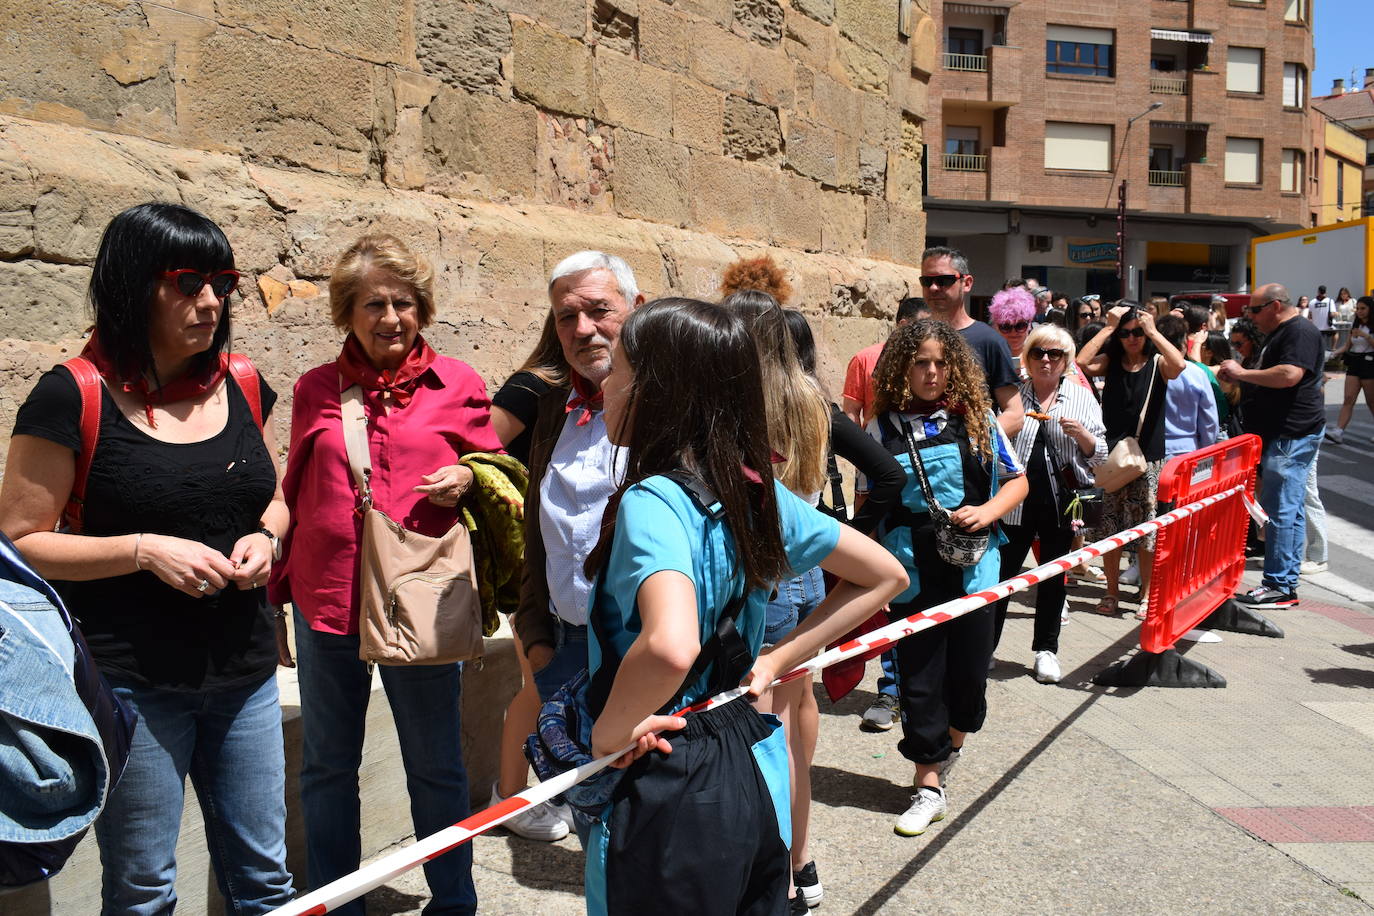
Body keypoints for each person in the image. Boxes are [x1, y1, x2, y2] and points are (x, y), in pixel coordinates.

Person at [0, 202, 294, 913]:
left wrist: (270, 538)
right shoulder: (72, 393)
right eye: (187, 281)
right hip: (130, 684)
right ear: (134, 286)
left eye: (221, 281)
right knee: (143, 887)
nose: (211, 301)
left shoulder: (243, 380)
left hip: (245, 675)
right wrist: (141, 551)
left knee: (265, 880)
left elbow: (274, 497)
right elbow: (19, 540)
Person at [584, 297, 907, 915]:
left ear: (659, 391)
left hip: (668, 769)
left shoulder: (653, 501)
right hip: (751, 757)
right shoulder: (752, 487)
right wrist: (774, 660)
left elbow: (670, 644)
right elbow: (883, 575)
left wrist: (608, 732)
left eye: (619, 370)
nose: (606, 383)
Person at [270, 233, 501, 914]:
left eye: (404, 303)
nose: (391, 318)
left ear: (422, 308)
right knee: (327, 767)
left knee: (436, 765)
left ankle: (454, 899)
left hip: (420, 602)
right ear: (348, 311)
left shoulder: (458, 384)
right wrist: (277, 598)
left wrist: (468, 473)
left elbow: (499, 474)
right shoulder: (316, 390)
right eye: (374, 304)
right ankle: (340, 901)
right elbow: (295, 490)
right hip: (328, 601)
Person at [866, 319, 1028, 837]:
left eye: (939, 362)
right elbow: (870, 498)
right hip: (911, 566)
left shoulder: (979, 419)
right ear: (902, 367)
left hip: (974, 564)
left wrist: (988, 510)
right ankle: (928, 782)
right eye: (920, 362)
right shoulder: (881, 427)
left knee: (968, 678)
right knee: (919, 678)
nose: (931, 373)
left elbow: (1017, 481)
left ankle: (950, 746)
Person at [511, 250, 645, 840]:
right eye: (567, 317)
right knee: (592, 812)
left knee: (646, 817)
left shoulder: (673, 410)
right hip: (564, 645)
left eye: (599, 310)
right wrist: (535, 635)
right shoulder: (546, 407)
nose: (583, 329)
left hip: (642, 651)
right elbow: (534, 532)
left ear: (636, 311)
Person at [484, 317, 578, 843]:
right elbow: (475, 451)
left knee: (562, 684)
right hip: (533, 563)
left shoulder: (602, 390)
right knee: (537, 685)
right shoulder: (534, 386)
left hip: (569, 565)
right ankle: (508, 797)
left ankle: (548, 786)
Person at [993, 325, 1105, 683]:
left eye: (1054, 354)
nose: (1046, 360)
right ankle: (985, 649)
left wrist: (1084, 437)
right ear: (1026, 357)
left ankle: (1046, 650)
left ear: (1066, 361)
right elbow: (991, 440)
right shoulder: (1013, 397)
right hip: (1014, 502)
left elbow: (1100, 455)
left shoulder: (1080, 398)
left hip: (1061, 504)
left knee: (1054, 578)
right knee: (1001, 576)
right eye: (1039, 352)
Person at [840, 293, 926, 733]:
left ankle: (922, 693)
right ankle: (892, 689)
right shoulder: (866, 360)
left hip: (928, 508)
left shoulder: (947, 385)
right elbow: (854, 421)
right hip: (881, 488)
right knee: (892, 593)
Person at [1217, 283, 1327, 608]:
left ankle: (1279, 585)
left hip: (1290, 433)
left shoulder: (1299, 331)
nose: (1249, 315)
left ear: (1274, 305)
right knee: (1287, 510)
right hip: (1284, 433)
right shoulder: (1285, 332)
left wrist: (1243, 374)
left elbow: (1290, 374)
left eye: (1254, 309)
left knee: (1280, 508)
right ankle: (1283, 583)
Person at [1076, 303, 1187, 618]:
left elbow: (1178, 364)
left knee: (1147, 533)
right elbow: (1080, 363)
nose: (1132, 338)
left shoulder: (1157, 363)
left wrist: (1154, 330)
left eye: (1138, 332)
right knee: (1108, 527)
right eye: (1126, 333)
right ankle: (1111, 593)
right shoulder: (1111, 361)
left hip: (1148, 459)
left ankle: (1146, 595)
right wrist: (1108, 328)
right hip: (1111, 456)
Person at [919, 246, 1025, 437]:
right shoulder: (909, 339)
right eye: (927, 281)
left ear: (966, 283)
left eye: (943, 280)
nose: (934, 288)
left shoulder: (989, 341)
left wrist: (975, 445)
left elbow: (1015, 414)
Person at [841, 295, 927, 427]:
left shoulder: (934, 363)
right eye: (922, 327)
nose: (930, 332)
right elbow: (851, 411)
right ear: (903, 325)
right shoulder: (864, 359)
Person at [1156, 314, 1220, 457]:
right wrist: (1205, 450)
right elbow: (1209, 421)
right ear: (1183, 343)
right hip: (1189, 451)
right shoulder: (1197, 373)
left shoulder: (1147, 369)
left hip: (1150, 451)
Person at [1325, 296, 1374, 446]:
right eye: (1358, 308)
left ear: (1370, 309)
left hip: (1370, 362)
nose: (1359, 311)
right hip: (1355, 362)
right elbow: (1347, 346)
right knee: (1348, 398)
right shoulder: (1356, 325)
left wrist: (1365, 336)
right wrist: (1332, 354)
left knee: (1371, 401)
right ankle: (1338, 431)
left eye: (1363, 308)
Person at [1199, 332, 1241, 435]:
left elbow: (1195, 367)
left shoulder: (1219, 370)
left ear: (1209, 352)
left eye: (1201, 346)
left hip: (1221, 433)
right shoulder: (1228, 369)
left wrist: (1196, 342)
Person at [989, 286, 1035, 375]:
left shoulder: (1039, 355)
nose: (1013, 332)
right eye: (1006, 327)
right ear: (996, 327)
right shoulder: (989, 357)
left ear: (1029, 325)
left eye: (1020, 326)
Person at [1309, 285, 1335, 356]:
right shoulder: (1330, 301)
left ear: (1318, 291)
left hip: (1316, 327)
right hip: (1327, 327)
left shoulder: (1312, 302)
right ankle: (1333, 350)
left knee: (1319, 347)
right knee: (1334, 335)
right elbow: (1332, 314)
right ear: (1325, 292)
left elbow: (1310, 315)